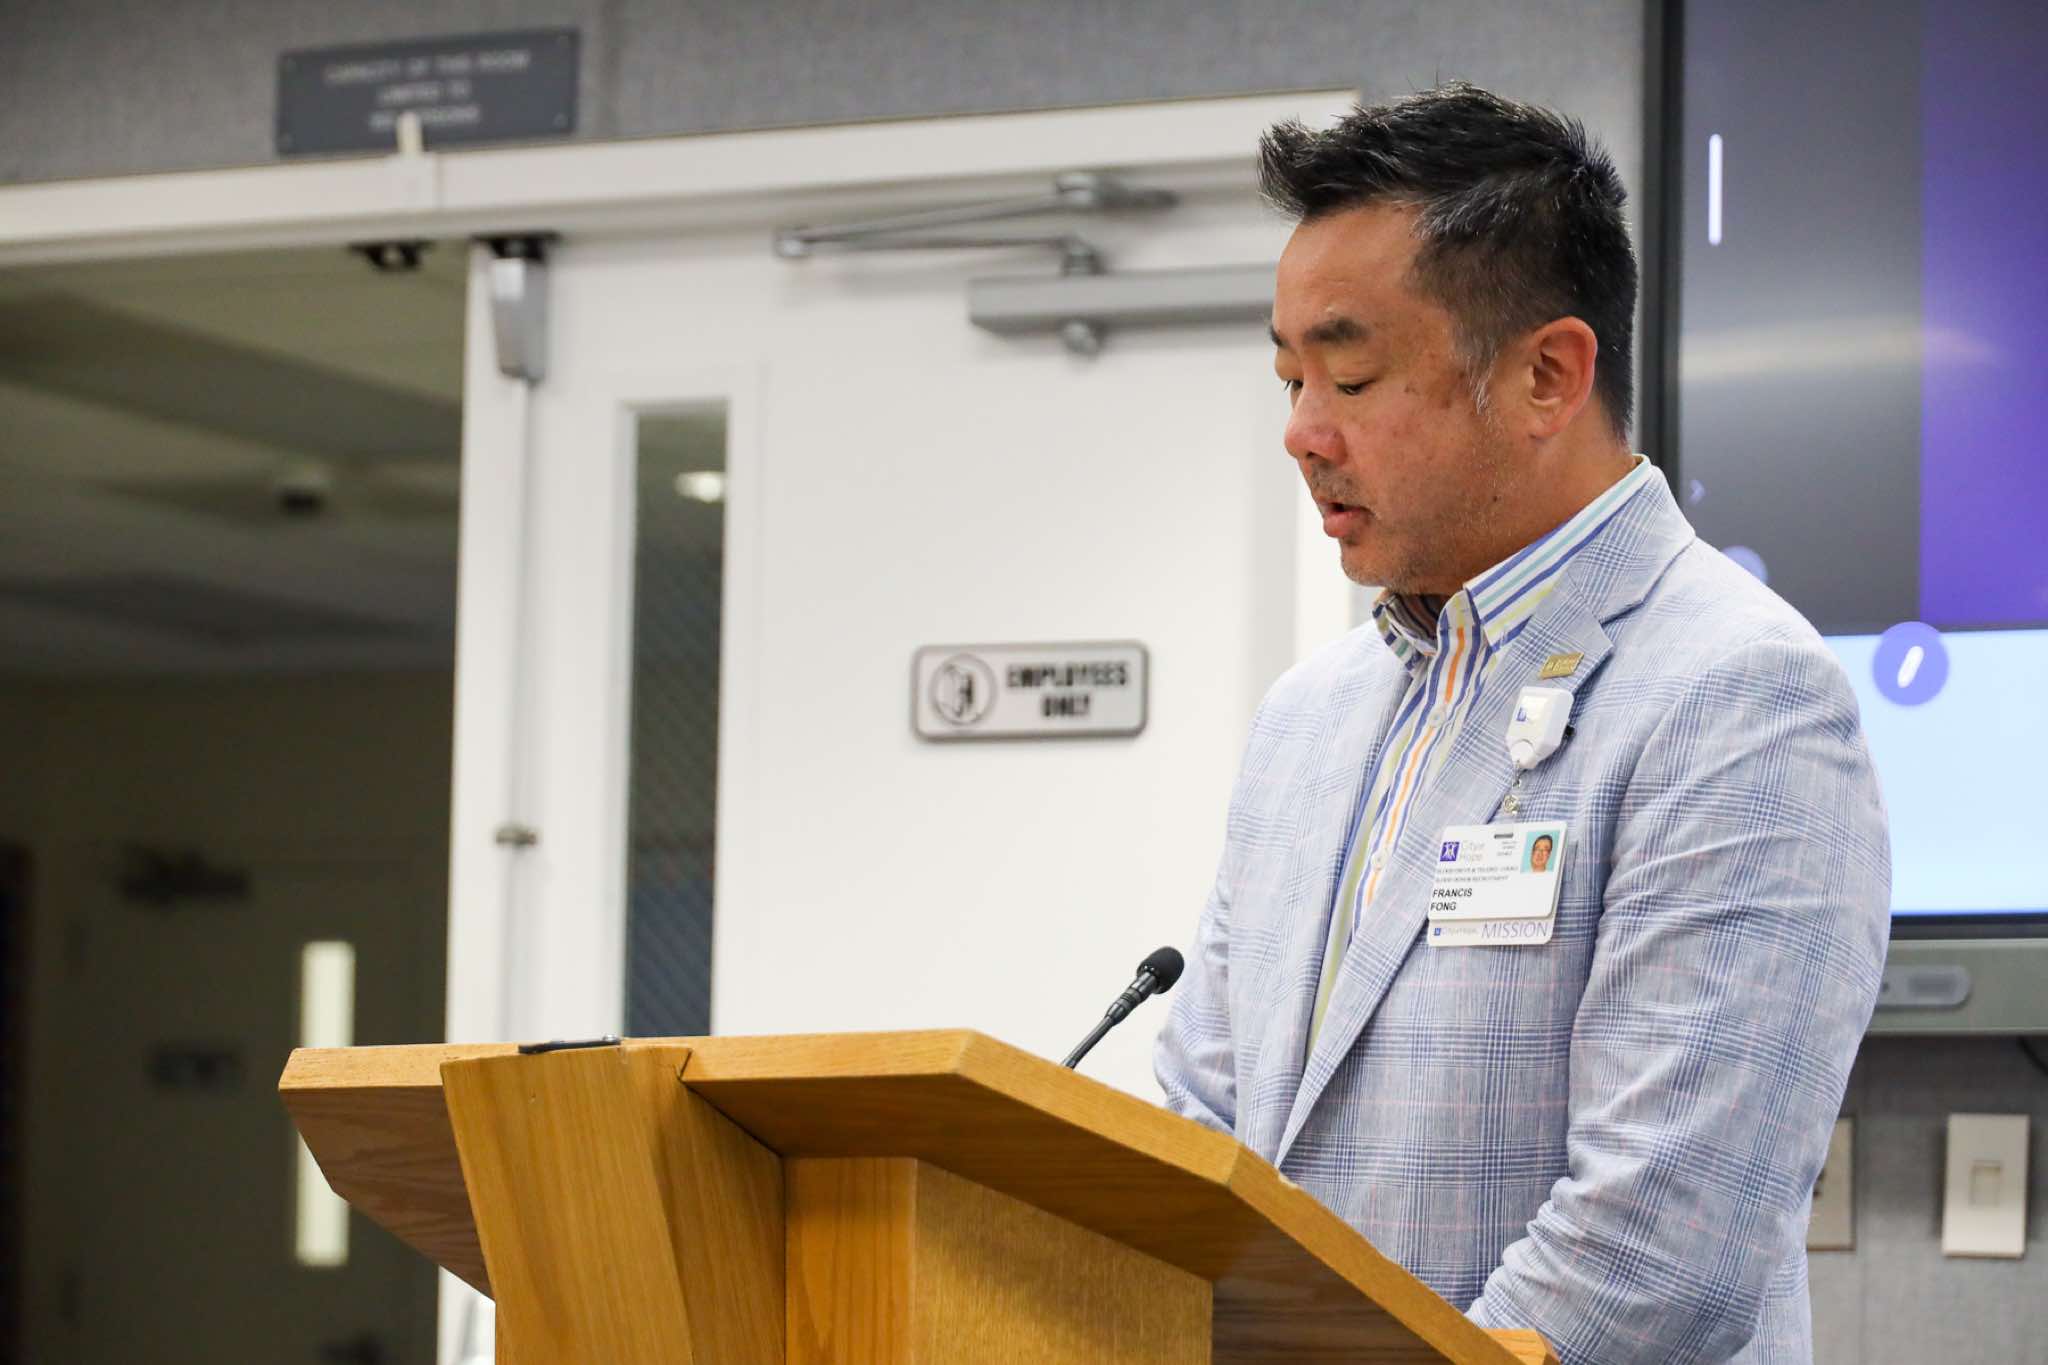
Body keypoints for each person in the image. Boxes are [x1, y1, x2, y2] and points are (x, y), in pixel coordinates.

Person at [1155, 84, 1889, 1365]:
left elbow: (1656, 1252)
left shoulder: (1736, 696)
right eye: (1288, 378)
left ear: (1546, 375)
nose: (1301, 433)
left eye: (1350, 375)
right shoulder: (1306, 719)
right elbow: (1200, 1127)